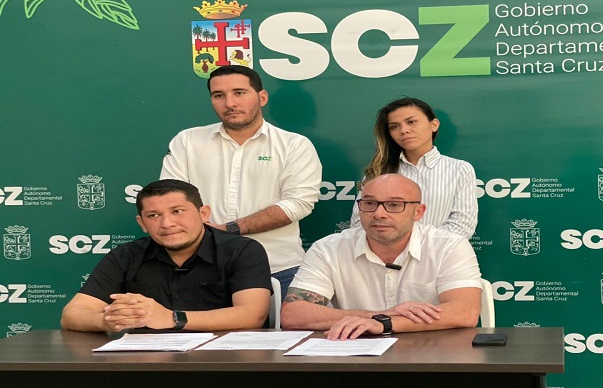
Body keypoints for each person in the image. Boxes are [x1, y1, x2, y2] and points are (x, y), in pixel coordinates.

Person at [161, 65, 322, 299]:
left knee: (289, 325)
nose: (229, 103)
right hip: (201, 267)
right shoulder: (187, 141)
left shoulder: (294, 145)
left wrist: (228, 230)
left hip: (278, 268)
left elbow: (298, 204)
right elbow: (170, 199)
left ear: (262, 97)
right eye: (219, 95)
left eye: (239, 93)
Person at [282, 174, 482, 340]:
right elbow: (293, 314)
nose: (379, 213)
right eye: (369, 203)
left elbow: (465, 312)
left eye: (394, 205)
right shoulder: (327, 248)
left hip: (432, 356)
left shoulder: (448, 246)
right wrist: (377, 316)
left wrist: (384, 324)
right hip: (355, 359)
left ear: (418, 212)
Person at [60, 179, 272, 333]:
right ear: (142, 223)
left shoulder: (242, 250)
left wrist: (172, 318)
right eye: (153, 215)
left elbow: (252, 315)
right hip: (146, 364)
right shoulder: (127, 255)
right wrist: (107, 321)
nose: (167, 224)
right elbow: (72, 314)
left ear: (203, 214)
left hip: (224, 363)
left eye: (177, 211)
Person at [350, 97, 478, 238]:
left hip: (439, 251)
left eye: (411, 122)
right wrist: (394, 247)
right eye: (394, 126)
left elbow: (462, 224)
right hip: (383, 251)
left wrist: (418, 247)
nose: (404, 130)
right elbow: (358, 223)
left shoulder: (459, 169)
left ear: (434, 125)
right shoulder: (378, 171)